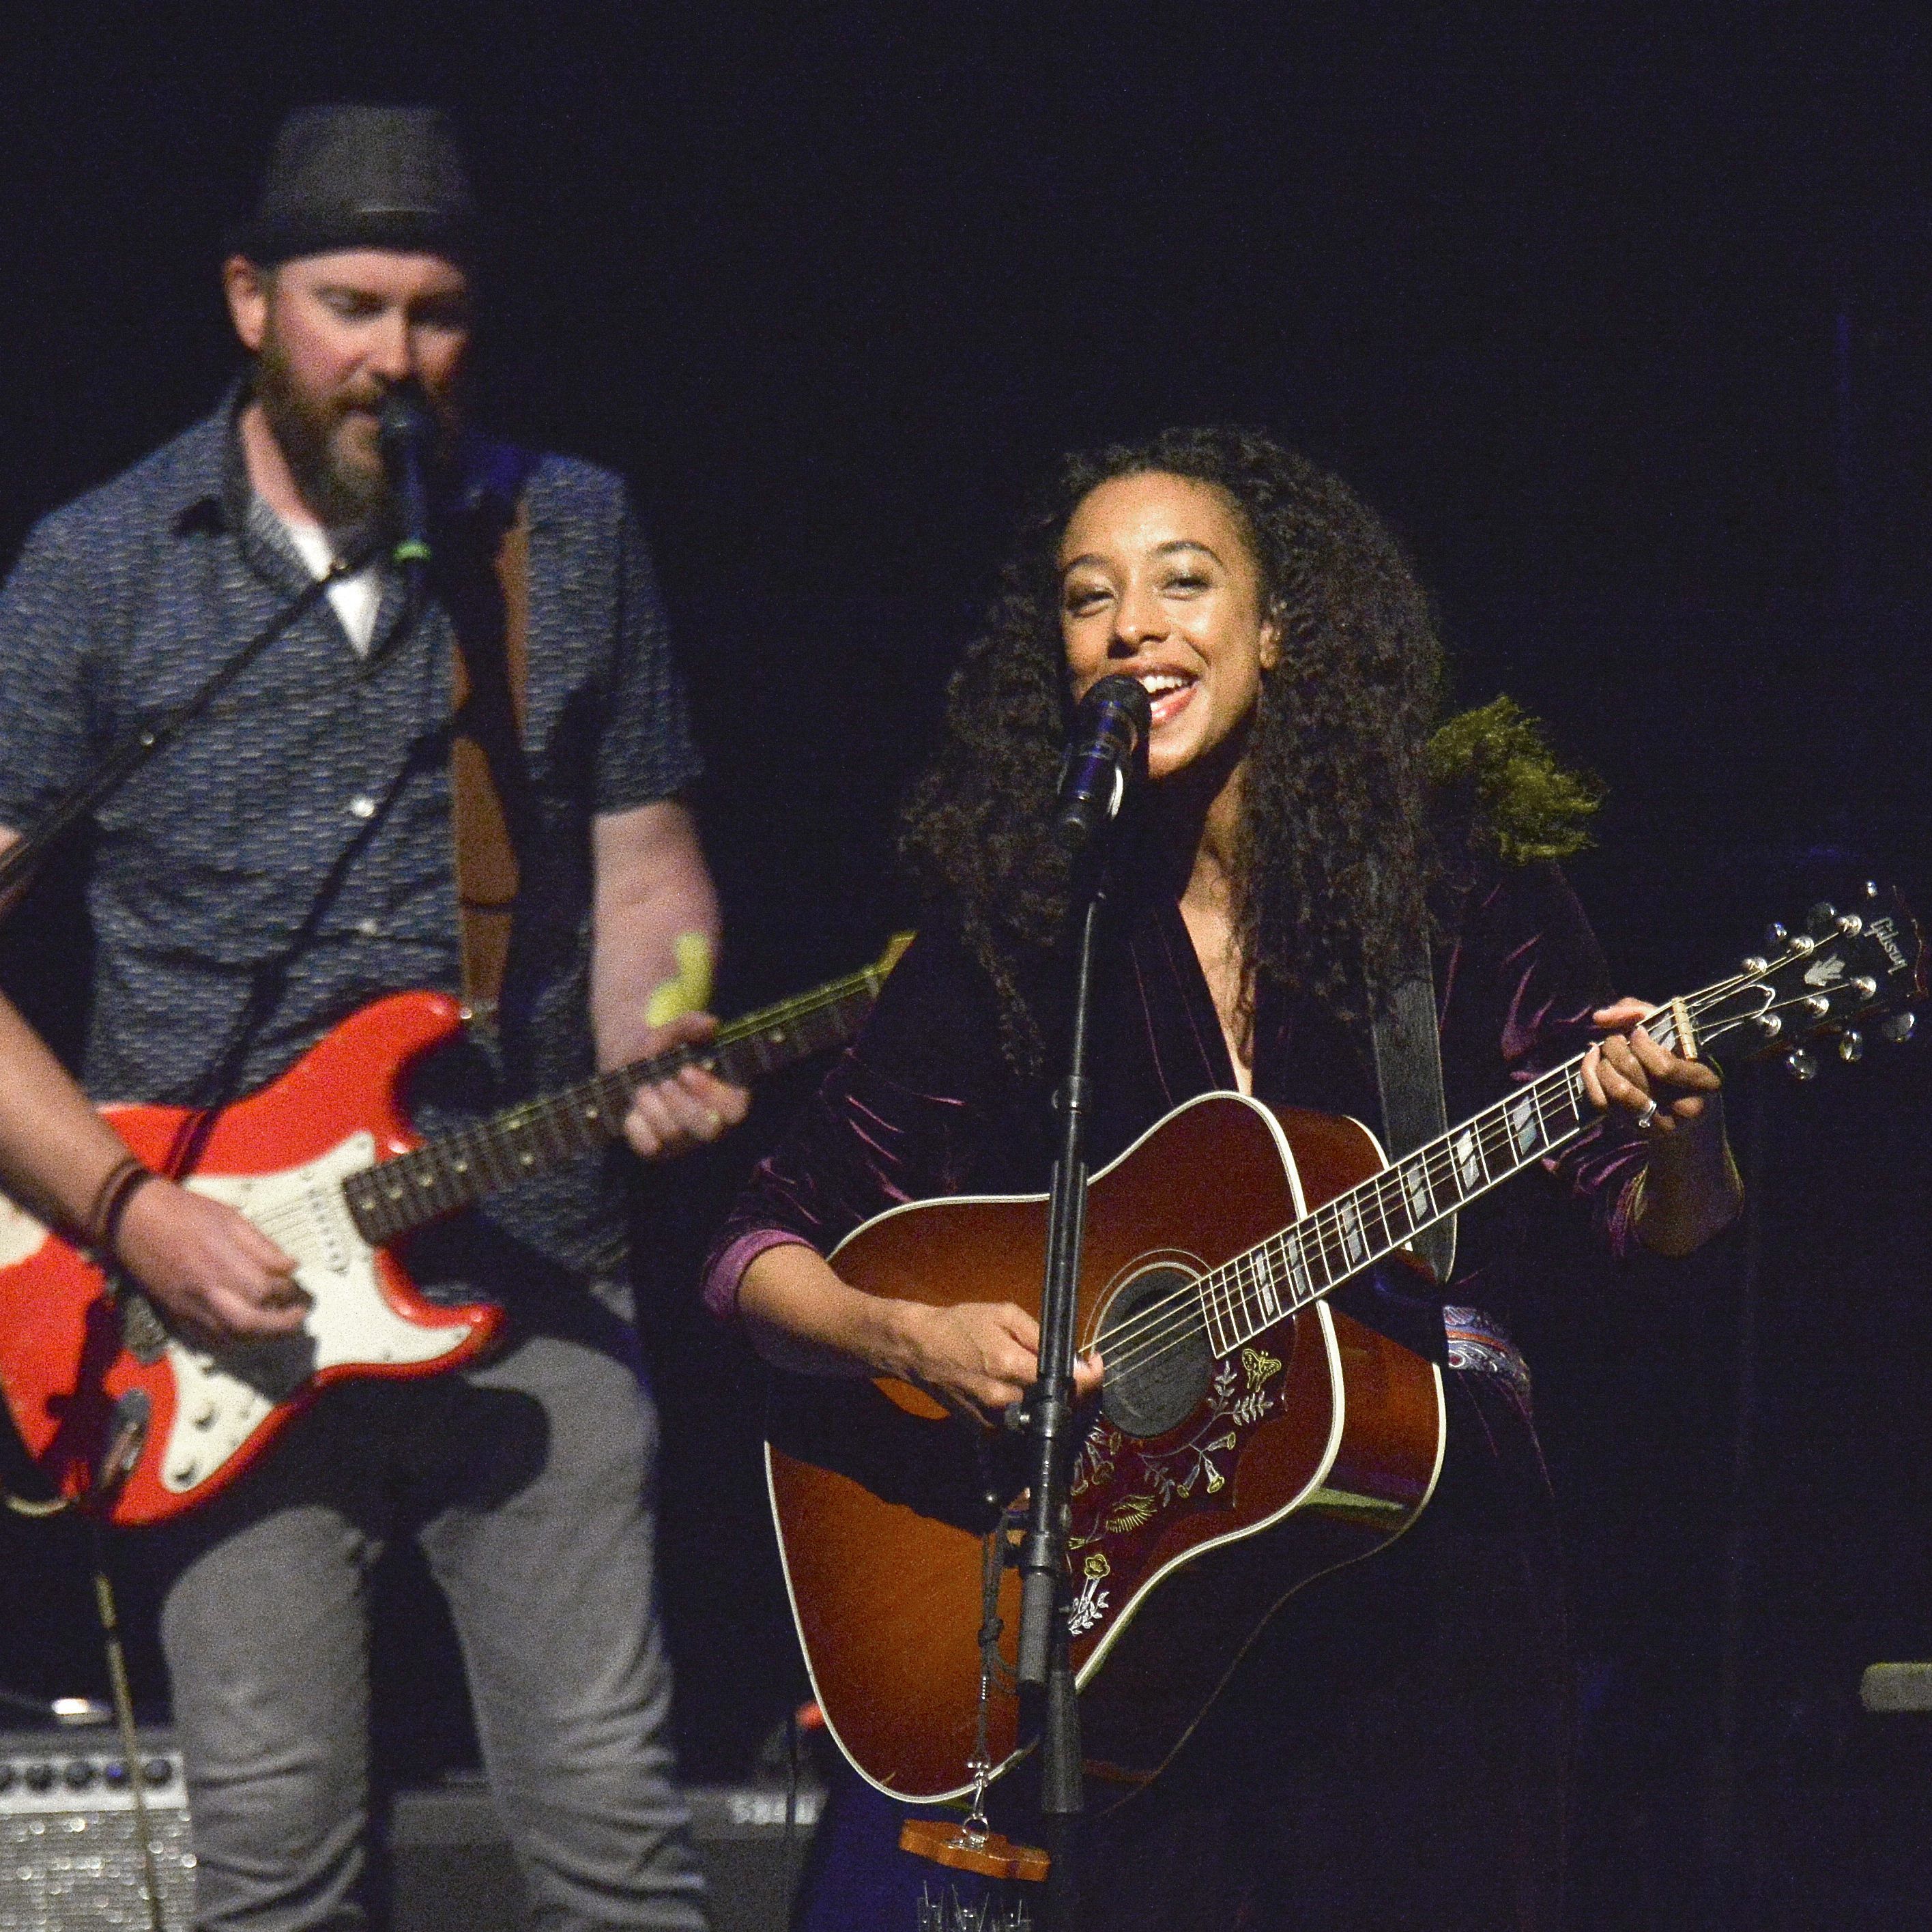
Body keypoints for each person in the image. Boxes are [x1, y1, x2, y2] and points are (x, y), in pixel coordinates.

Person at [700, 426, 1742, 1929]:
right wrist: (911, 1338)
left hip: (1428, 1599)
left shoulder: (1452, 887)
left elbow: (1665, 1237)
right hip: (1137, 1634)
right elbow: (755, 1249)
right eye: (1087, 596)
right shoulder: (1031, 928)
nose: (1132, 624)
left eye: (1185, 582)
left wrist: (1678, 1129)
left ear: (1279, 631)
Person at [0, 106, 747, 1930]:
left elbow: (651, 865)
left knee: (614, 1853)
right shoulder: (104, 569)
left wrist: (665, 1025)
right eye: (350, 305)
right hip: (206, 1301)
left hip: (532, 1260)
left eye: (435, 312)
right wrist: (125, 1212)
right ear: (251, 299)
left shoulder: (565, 536)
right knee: (275, 1879)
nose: (392, 358)